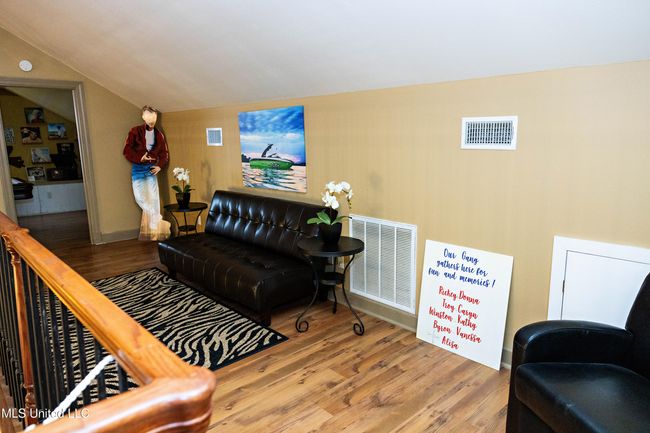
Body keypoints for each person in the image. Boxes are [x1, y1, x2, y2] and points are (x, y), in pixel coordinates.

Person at [123, 105, 171, 240]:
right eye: (149, 117)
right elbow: (126, 150)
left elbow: (164, 153)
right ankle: (155, 216)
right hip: (138, 167)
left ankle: (156, 231)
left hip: (151, 168)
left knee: (154, 198)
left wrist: (159, 166)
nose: (152, 120)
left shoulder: (159, 134)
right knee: (139, 197)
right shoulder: (135, 131)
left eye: (154, 117)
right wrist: (140, 158)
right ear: (143, 117)